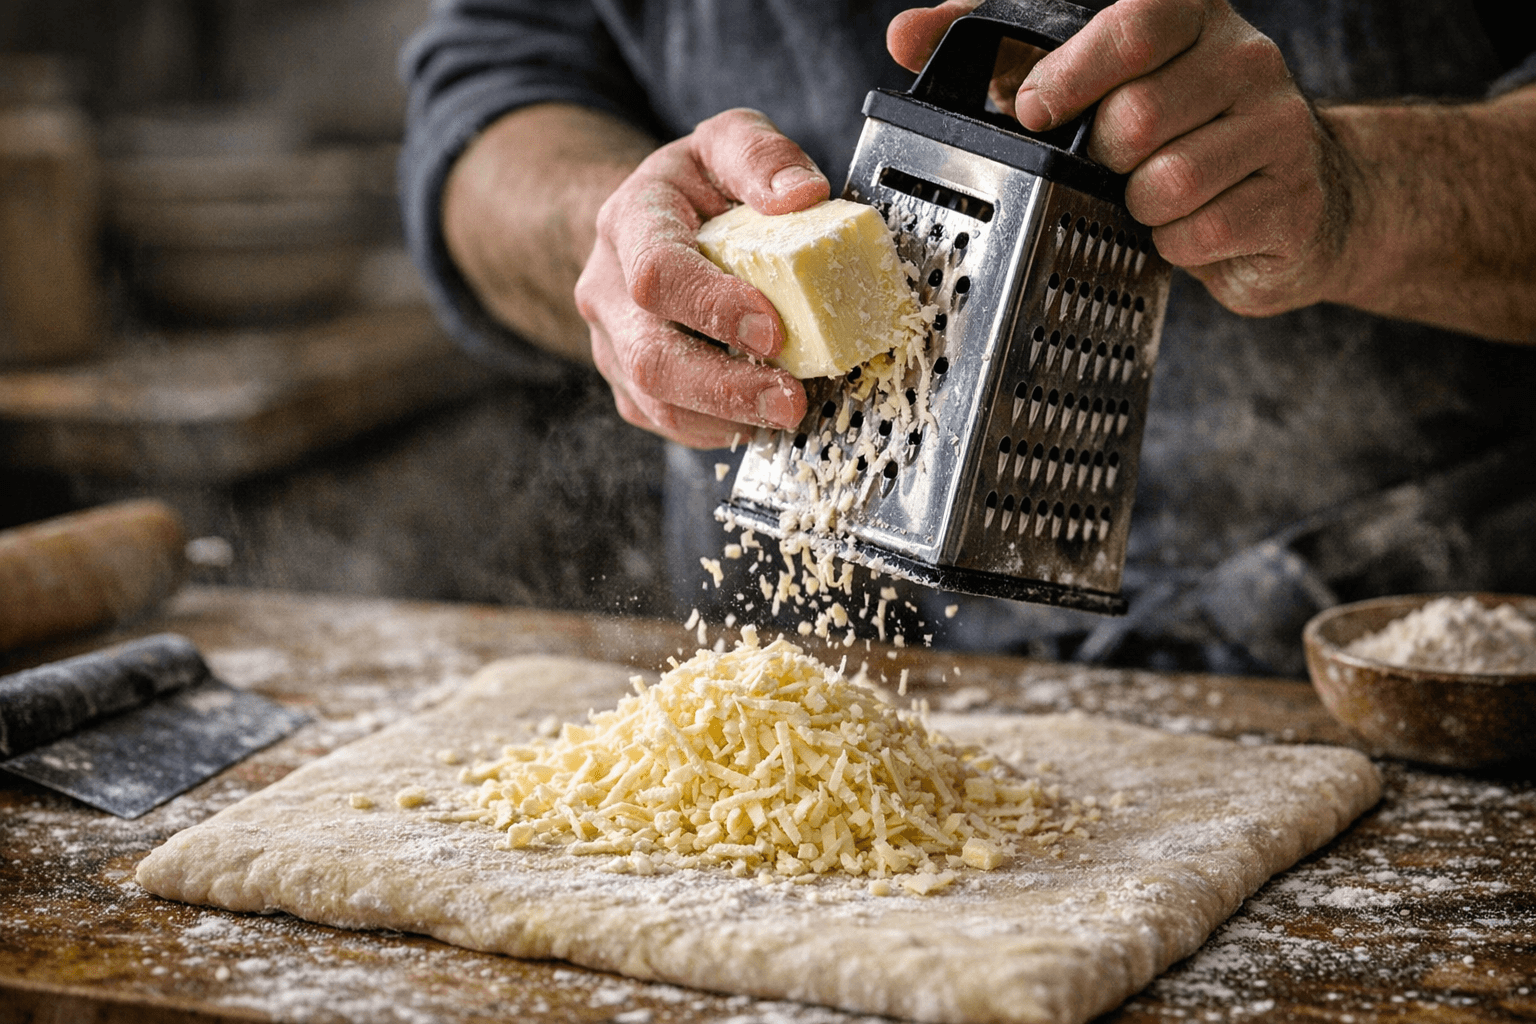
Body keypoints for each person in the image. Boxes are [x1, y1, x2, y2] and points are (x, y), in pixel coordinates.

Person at [400, 0, 1536, 674]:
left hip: (1371, 647)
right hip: (802, 649)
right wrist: (622, 237)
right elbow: (490, 94)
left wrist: (1365, 190)